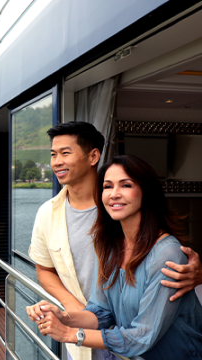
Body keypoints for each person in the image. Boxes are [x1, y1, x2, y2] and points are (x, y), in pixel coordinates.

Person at [26, 122, 202, 360]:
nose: (114, 194)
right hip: (103, 341)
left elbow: (141, 337)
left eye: (126, 185)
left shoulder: (165, 252)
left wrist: (70, 333)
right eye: (108, 187)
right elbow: (101, 311)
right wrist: (62, 314)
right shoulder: (111, 245)